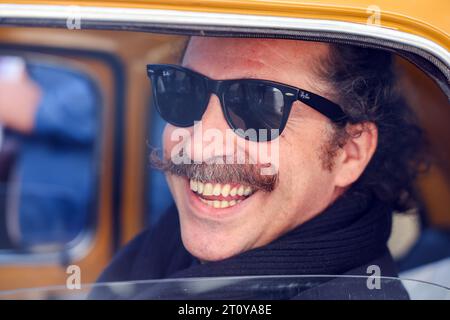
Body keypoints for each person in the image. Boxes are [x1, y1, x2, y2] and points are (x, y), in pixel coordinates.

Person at [94, 37, 426, 299]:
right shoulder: (158, 252)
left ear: (349, 153)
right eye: (184, 91)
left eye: (259, 106)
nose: (197, 147)